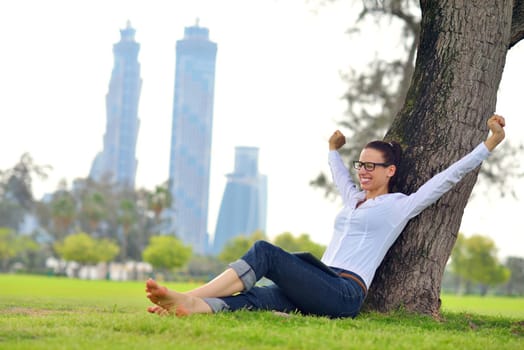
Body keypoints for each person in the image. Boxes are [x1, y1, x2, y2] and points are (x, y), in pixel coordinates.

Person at [145, 114, 506, 318]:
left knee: (265, 252)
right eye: (360, 164)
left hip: (343, 292)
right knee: (259, 298)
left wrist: (487, 144)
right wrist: (333, 151)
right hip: (317, 281)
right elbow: (339, 174)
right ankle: (193, 308)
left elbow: (447, 178)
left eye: (371, 166)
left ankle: (188, 295)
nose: (363, 171)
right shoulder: (353, 201)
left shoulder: (400, 205)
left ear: (390, 171)